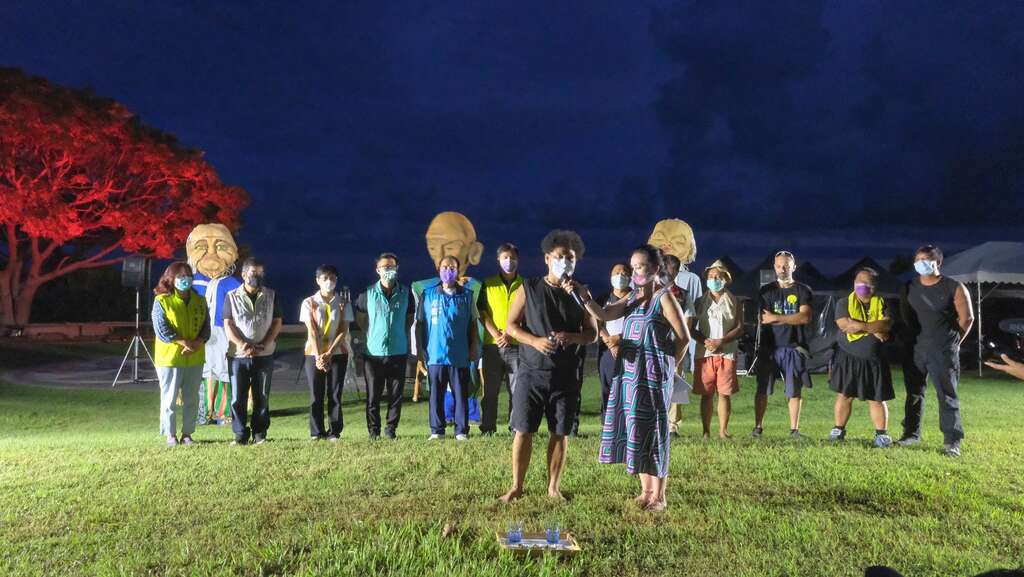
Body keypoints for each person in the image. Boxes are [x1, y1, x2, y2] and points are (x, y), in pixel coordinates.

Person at [575, 245, 690, 512]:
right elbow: (605, 314)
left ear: (656, 269)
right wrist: (585, 298)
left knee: (655, 430)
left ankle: (659, 495)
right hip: (629, 375)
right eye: (633, 267)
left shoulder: (664, 298)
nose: (636, 272)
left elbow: (683, 337)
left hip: (654, 374)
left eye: (641, 266)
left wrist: (671, 365)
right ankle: (645, 490)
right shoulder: (633, 297)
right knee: (636, 428)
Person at [499, 230, 598, 503]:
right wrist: (535, 341)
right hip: (531, 372)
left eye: (570, 258)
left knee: (560, 431)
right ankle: (517, 486)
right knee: (523, 430)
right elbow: (511, 326)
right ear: (546, 258)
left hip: (566, 374)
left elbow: (592, 333)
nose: (565, 262)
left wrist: (573, 337)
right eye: (560, 256)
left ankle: (554, 487)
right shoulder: (529, 288)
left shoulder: (581, 292)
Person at [897, 245, 974, 457]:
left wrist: (954, 342)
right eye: (917, 259)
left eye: (926, 259)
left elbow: (967, 318)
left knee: (947, 395)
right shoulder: (909, 287)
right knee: (914, 393)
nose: (920, 263)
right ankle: (910, 434)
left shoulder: (954, 287)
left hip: (943, 350)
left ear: (938, 262)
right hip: (915, 349)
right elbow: (906, 317)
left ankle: (952, 441)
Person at [827, 267, 895, 448]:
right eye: (859, 282)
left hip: (874, 360)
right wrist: (874, 329)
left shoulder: (884, 303)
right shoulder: (844, 303)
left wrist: (860, 325)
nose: (862, 286)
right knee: (845, 395)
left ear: (875, 286)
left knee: (877, 398)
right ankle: (838, 430)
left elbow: (886, 325)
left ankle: (881, 435)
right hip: (848, 358)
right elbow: (845, 325)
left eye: (867, 283)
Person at [417, 255, 479, 440]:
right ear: (438, 269)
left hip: (459, 355)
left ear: (458, 271)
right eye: (445, 267)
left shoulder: (467, 295)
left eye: (452, 267)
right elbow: (419, 324)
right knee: (436, 395)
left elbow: (473, 324)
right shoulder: (428, 295)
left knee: (461, 395)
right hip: (435, 354)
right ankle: (437, 431)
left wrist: (473, 347)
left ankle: (461, 431)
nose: (448, 271)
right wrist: (420, 351)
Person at [753, 250, 814, 439]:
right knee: (762, 388)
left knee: (794, 390)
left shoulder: (803, 290)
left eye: (786, 266)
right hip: (769, 348)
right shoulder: (766, 291)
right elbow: (764, 318)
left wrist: (776, 318)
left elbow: (804, 317)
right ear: (774, 267)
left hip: (794, 347)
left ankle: (794, 430)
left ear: (794, 267)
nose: (782, 269)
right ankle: (757, 428)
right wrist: (789, 318)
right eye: (779, 266)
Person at [354, 253, 414, 440]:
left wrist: (398, 335)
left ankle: (391, 429)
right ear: (377, 270)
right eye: (385, 267)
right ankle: (374, 431)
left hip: (398, 352)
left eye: (392, 267)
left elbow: (409, 319)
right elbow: (361, 319)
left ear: (397, 269)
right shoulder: (367, 294)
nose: (389, 270)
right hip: (373, 354)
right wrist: (374, 334)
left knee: (396, 395)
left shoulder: (406, 293)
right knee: (373, 395)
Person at [223, 258, 283, 445]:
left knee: (262, 396)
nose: (257, 276)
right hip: (238, 356)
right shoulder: (232, 296)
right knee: (237, 398)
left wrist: (264, 344)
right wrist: (243, 344)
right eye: (253, 273)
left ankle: (259, 434)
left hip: (264, 355)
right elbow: (228, 324)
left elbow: (277, 322)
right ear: (243, 275)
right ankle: (240, 434)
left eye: (260, 273)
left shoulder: (271, 295)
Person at [152, 262, 210, 446]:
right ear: (170, 278)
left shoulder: (200, 300)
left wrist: (197, 343)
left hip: (195, 357)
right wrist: (184, 342)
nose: (185, 279)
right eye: (180, 276)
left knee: (192, 398)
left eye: (188, 275)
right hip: (170, 359)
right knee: (169, 398)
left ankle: (187, 434)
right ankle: (170, 435)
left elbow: (206, 327)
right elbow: (162, 329)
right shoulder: (162, 301)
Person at [691, 260, 743, 439]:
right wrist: (705, 341)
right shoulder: (699, 302)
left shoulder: (734, 301)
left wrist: (721, 341)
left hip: (727, 352)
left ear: (725, 279)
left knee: (724, 393)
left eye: (718, 277)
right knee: (706, 394)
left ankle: (723, 431)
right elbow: (691, 327)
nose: (714, 280)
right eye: (711, 276)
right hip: (704, 353)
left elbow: (739, 327)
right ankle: (706, 431)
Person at [300, 264, 350, 441]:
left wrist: (329, 353)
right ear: (317, 280)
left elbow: (343, 330)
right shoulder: (309, 303)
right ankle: (317, 432)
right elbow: (312, 331)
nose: (329, 281)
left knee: (335, 393)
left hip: (338, 353)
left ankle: (334, 431)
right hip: (313, 354)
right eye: (325, 278)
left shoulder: (343, 303)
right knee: (316, 394)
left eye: (332, 278)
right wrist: (318, 356)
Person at [478, 243, 524, 435]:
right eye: (505, 257)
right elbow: (482, 313)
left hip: (517, 345)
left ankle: (516, 428)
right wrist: (497, 335)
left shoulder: (525, 285)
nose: (509, 261)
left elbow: (528, 314)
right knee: (490, 391)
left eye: (512, 257)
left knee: (517, 391)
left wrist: (511, 333)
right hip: (493, 347)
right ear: (498, 260)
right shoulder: (488, 284)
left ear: (518, 260)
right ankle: (488, 428)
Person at [663, 253, 700, 438]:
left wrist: (679, 350)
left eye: (671, 270)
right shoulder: (650, 291)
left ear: (677, 271)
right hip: (655, 345)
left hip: (675, 345)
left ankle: (673, 425)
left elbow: (688, 322)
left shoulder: (683, 295)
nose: (666, 274)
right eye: (664, 269)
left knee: (676, 383)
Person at [596, 262, 630, 420]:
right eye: (617, 273)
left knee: (628, 389)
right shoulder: (603, 299)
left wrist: (620, 339)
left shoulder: (636, 298)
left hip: (630, 349)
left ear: (630, 277)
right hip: (607, 351)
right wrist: (609, 342)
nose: (620, 276)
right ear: (610, 277)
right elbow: (596, 322)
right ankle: (607, 424)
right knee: (608, 388)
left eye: (624, 273)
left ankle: (628, 423)